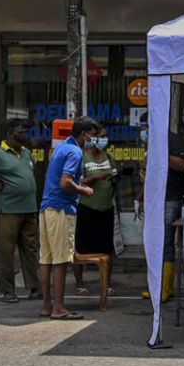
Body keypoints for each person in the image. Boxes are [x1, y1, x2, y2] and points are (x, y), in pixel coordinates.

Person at [0, 119, 40, 303]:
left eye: (26, 132)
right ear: (10, 133)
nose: (24, 135)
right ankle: (8, 290)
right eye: (20, 132)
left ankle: (34, 287)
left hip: (29, 208)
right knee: (7, 251)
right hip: (8, 210)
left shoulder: (26, 153)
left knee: (30, 249)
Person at [38, 116, 98, 319]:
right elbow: (66, 182)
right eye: (93, 135)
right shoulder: (74, 152)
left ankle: (47, 305)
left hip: (47, 207)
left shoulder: (61, 148)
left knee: (46, 259)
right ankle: (59, 308)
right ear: (84, 134)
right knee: (61, 260)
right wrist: (84, 189)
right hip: (61, 208)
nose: (94, 139)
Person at [137, 122, 184, 302]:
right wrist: (139, 198)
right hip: (154, 199)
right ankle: (157, 285)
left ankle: (165, 288)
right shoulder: (149, 144)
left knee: (165, 241)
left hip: (171, 198)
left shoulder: (174, 140)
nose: (143, 132)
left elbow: (182, 165)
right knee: (154, 242)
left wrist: (162, 154)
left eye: (145, 127)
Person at [74, 125, 118, 295]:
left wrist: (114, 181)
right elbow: (76, 182)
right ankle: (79, 283)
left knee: (106, 248)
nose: (103, 139)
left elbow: (114, 176)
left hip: (106, 207)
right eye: (100, 136)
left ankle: (106, 283)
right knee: (81, 246)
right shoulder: (82, 158)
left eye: (105, 136)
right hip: (87, 207)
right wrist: (95, 178)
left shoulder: (109, 157)